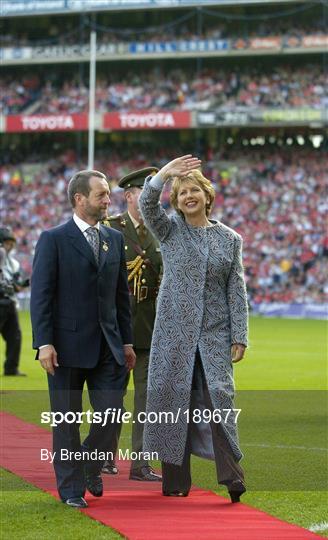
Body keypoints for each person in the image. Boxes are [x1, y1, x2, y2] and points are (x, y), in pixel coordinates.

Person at [139, 155, 248, 502]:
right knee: (174, 403)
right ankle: (174, 483)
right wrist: (164, 176)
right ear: (176, 200)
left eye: (193, 190)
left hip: (214, 337)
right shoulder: (169, 231)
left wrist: (240, 336)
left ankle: (233, 479)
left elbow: (236, 290)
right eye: (181, 191)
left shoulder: (230, 239)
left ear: (206, 195)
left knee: (219, 402)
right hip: (173, 335)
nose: (188, 195)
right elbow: (146, 204)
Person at [30, 170, 136, 509]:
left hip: (109, 346)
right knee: (66, 421)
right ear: (80, 199)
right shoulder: (53, 239)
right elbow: (41, 295)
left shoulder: (114, 239)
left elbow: (122, 297)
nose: (108, 200)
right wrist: (43, 343)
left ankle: (88, 462)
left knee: (112, 414)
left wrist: (128, 342)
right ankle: (72, 489)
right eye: (102, 194)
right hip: (65, 348)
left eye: (108, 194)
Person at [102, 167, 162, 482]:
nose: (153, 198)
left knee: (147, 400)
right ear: (129, 195)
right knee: (111, 397)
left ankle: (140, 464)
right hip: (115, 329)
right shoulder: (110, 228)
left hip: (149, 329)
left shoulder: (162, 230)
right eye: (145, 192)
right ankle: (105, 457)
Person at [0, 227, 29, 376]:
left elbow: (17, 284)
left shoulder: (13, 263)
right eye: (7, 242)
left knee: (15, 337)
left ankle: (11, 368)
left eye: (11, 243)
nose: (10, 246)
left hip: (9, 303)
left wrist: (25, 283)